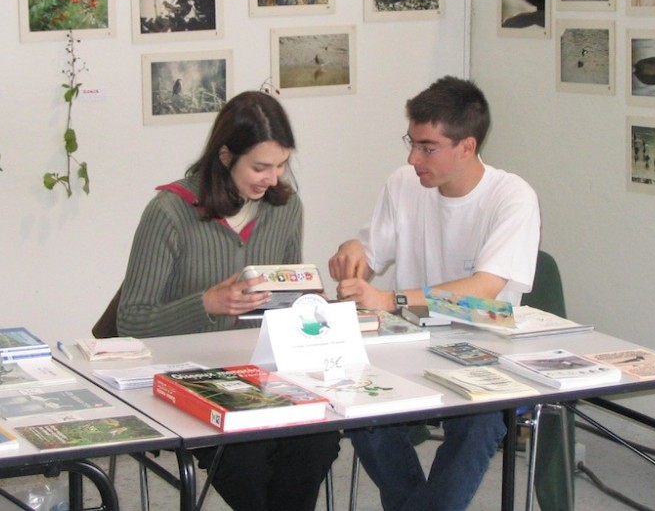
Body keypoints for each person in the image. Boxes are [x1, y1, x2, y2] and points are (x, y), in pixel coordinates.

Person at [117, 90, 340, 511]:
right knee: (245, 455)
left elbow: (287, 302)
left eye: (280, 165)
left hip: (267, 374)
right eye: (260, 167)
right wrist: (206, 303)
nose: (272, 178)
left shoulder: (286, 208)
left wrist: (309, 305)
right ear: (225, 156)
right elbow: (131, 321)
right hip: (191, 374)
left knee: (318, 439)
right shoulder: (170, 211)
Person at [330, 76, 540, 511]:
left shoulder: (512, 197)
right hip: (403, 347)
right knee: (349, 395)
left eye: (427, 147)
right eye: (411, 142)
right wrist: (352, 258)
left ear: (467, 146)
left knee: (481, 422)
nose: (413, 158)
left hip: (483, 350)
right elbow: (368, 258)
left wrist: (388, 299)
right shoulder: (403, 184)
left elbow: (483, 291)